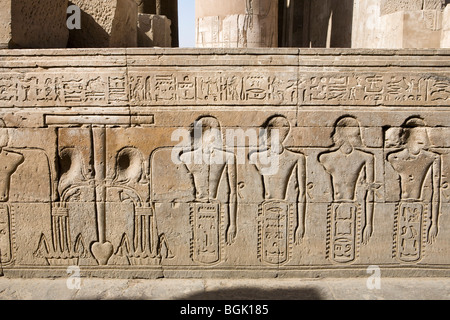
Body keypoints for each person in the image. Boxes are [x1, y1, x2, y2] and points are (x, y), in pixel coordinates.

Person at [179, 116, 237, 264]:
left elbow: (233, 193)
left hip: (214, 211)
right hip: (198, 210)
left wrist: (233, 223)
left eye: (214, 138)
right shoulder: (188, 156)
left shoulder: (227, 157)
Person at [249, 115, 306, 264]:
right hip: (266, 210)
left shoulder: (296, 158)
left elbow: (302, 193)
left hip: (283, 211)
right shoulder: (256, 156)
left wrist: (301, 224)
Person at [319, 116, 376, 263]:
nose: (358, 137)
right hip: (336, 209)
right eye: (355, 134)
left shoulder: (366, 157)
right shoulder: (326, 157)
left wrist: (368, 223)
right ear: (345, 136)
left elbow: (369, 193)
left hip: (353, 209)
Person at [387, 117, 441, 261]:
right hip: (404, 206)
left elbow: (435, 192)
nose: (422, 143)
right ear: (408, 138)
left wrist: (434, 223)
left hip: (417, 208)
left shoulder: (431, 158)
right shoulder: (394, 158)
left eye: (422, 138)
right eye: (417, 138)